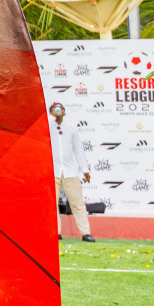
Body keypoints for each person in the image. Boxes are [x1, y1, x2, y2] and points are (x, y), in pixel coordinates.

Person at [49, 101, 95, 242]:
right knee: (51, 204)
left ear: (64, 112)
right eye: (55, 110)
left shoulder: (71, 128)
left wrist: (85, 170)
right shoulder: (47, 128)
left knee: (77, 202)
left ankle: (85, 233)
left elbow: (78, 150)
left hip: (70, 171)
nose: (58, 111)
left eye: (60, 109)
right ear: (51, 113)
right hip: (52, 171)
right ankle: (55, 232)